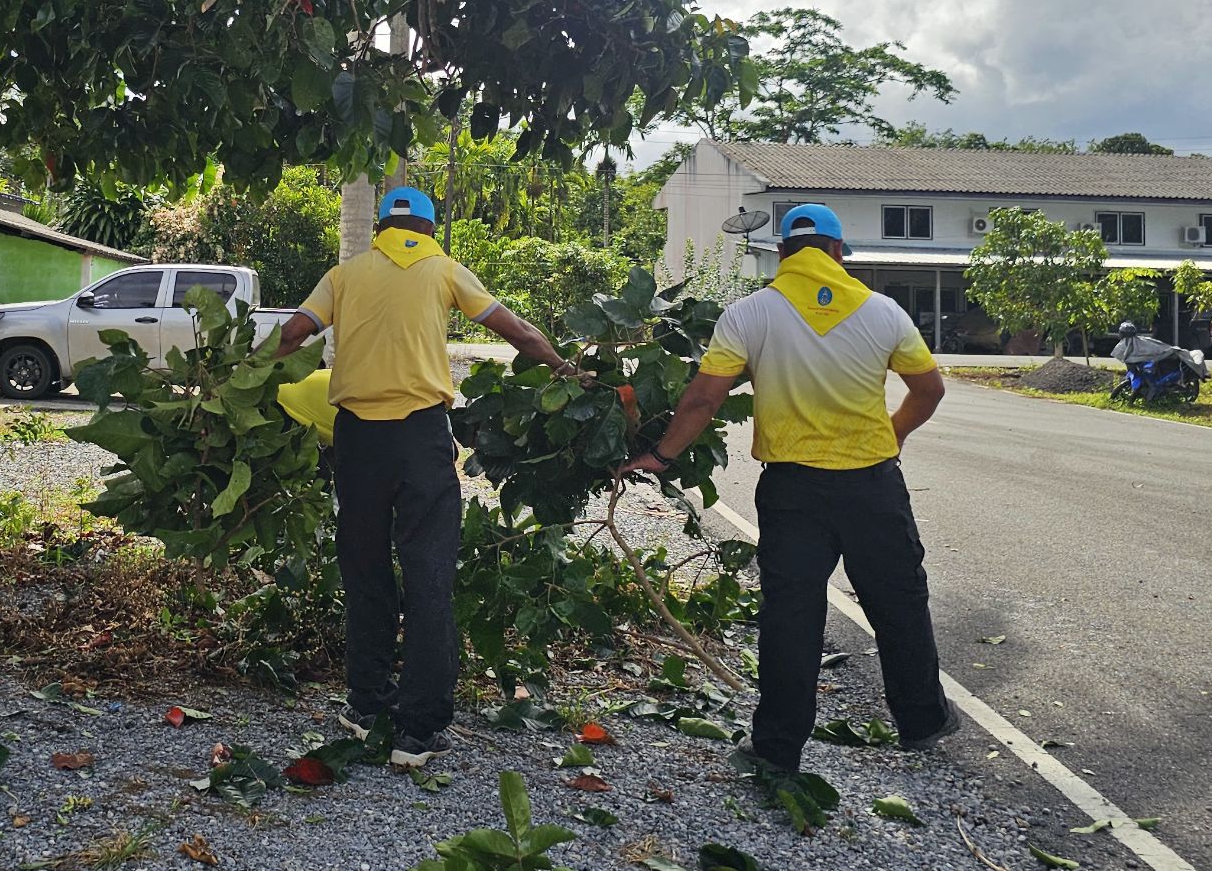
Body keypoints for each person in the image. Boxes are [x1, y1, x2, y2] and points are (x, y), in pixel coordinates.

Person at [621, 203, 955, 771]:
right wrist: (892, 435)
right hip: (873, 487)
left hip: (793, 492)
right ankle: (923, 721)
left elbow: (704, 398)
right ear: (838, 252)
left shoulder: (750, 314)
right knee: (898, 601)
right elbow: (929, 391)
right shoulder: (884, 312)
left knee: (791, 615)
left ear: (782, 254)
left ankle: (777, 748)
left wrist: (661, 454)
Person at [274, 187, 577, 768]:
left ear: (379, 229)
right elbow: (517, 332)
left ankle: (367, 704)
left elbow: (293, 333)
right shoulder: (446, 271)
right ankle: (418, 730)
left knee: (364, 567)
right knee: (429, 574)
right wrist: (566, 369)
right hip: (420, 437)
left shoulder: (344, 276)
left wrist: (242, 376)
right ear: (431, 228)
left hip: (358, 440)